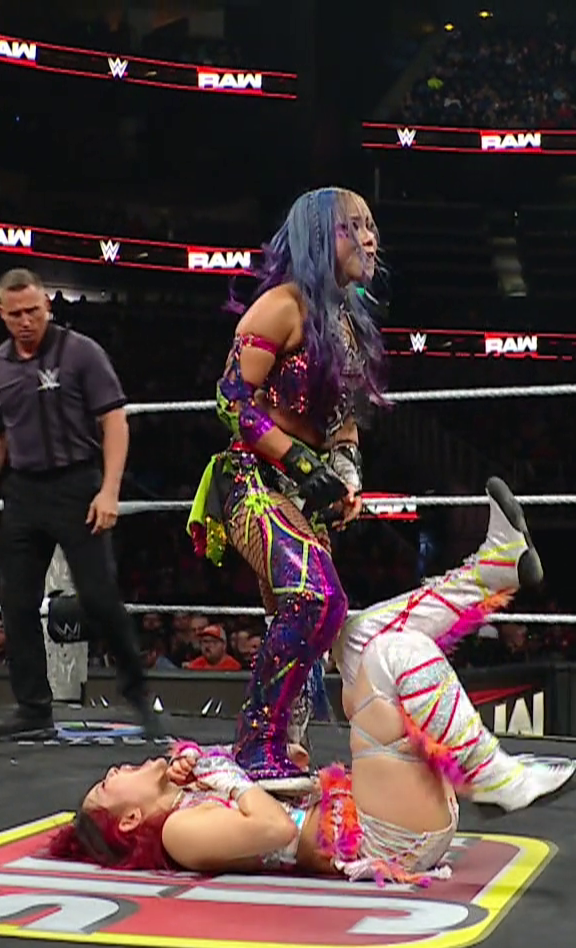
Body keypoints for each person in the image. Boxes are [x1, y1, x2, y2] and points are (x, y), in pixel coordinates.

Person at [56, 478, 576, 884]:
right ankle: (496, 778)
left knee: (355, 638)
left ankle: (491, 570)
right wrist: (219, 771)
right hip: (386, 839)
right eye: (106, 785)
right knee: (393, 654)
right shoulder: (177, 832)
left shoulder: (185, 797)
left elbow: (272, 796)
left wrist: (264, 766)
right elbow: (274, 827)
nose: (115, 769)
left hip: (383, 807)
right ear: (129, 820)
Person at [186, 187, 385, 790]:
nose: (371, 239)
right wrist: (299, 462)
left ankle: (286, 752)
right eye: (355, 227)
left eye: (372, 226)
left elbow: (344, 421)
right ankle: (256, 746)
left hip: (303, 494)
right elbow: (231, 399)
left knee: (299, 617)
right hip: (252, 479)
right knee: (316, 599)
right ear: (321, 236)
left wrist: (346, 474)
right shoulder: (280, 306)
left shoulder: (347, 323)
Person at [0, 268, 162, 741]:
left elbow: (114, 420)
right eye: (16, 314)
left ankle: (139, 696)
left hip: (77, 483)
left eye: (33, 311)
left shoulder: (81, 352)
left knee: (98, 596)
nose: (26, 321)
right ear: (2, 314)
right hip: (23, 490)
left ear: (47, 307)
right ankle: (33, 708)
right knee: (15, 601)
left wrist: (109, 490)